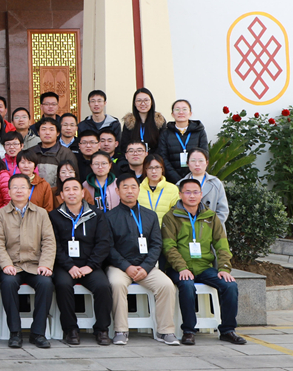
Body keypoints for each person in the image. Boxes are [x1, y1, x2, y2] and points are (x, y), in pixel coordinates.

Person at [162, 179, 246, 345]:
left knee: (230, 285)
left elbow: (222, 244)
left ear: (201, 195)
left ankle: (227, 330)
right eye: (187, 192)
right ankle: (188, 331)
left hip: (204, 267)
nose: (192, 196)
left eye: (195, 192)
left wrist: (224, 268)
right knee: (186, 285)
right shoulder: (171, 217)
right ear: (180, 194)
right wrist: (182, 267)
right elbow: (169, 247)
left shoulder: (211, 216)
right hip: (179, 268)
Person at [105, 175, 180, 346]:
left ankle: (165, 331)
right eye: (125, 187)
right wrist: (127, 266)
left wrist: (146, 267)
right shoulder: (109, 217)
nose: (129, 191)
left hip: (146, 267)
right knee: (117, 284)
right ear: (117, 191)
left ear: (139, 190)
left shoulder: (150, 216)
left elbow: (156, 244)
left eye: (133, 187)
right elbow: (108, 247)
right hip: (119, 267)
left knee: (166, 285)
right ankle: (121, 330)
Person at [0, 173, 56, 349]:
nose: (19, 190)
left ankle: (38, 333)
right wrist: (6, 264)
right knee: (8, 283)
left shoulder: (41, 213)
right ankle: (15, 332)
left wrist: (45, 264)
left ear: (29, 190)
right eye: (15, 187)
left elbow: (49, 241)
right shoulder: (0, 215)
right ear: (9, 191)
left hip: (35, 265)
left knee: (46, 283)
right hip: (12, 266)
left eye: (23, 187)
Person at [50, 177, 113, 346]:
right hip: (65, 266)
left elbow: (103, 243)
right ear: (61, 195)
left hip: (89, 265)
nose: (71, 193)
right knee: (63, 285)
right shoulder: (53, 216)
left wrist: (90, 266)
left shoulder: (97, 214)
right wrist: (69, 266)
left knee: (103, 287)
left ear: (83, 193)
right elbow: (53, 245)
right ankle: (70, 329)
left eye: (75, 189)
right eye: (67, 189)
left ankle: (102, 329)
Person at [157, 99, 209, 183]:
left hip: (195, 179)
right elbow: (163, 158)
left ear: (190, 113)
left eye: (184, 109)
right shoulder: (165, 133)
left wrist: (192, 177)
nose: (181, 112)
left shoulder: (199, 132)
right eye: (177, 109)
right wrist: (178, 179)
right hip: (171, 180)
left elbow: (204, 155)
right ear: (172, 114)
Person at [182, 148, 229, 226]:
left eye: (201, 161)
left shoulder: (216, 183)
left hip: (213, 229)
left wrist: (210, 226)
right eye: (193, 161)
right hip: (188, 229)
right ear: (187, 163)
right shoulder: (180, 184)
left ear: (207, 163)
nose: (197, 164)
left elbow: (223, 211)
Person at [23, 117, 75, 187]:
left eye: (51, 129)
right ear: (38, 132)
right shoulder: (30, 152)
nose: (47, 133)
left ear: (58, 133)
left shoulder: (66, 153)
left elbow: (73, 178)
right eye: (43, 129)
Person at [120, 88, 166, 154]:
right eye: (139, 100)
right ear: (134, 103)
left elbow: (162, 145)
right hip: (134, 157)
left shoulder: (159, 121)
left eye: (146, 100)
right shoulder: (129, 122)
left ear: (151, 102)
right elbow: (124, 145)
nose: (143, 103)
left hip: (154, 158)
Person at [139, 155, 180, 223]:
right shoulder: (138, 188)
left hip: (165, 228)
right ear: (145, 170)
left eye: (157, 167)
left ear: (162, 169)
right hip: (143, 228)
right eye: (150, 168)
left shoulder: (173, 189)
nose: (154, 171)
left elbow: (176, 213)